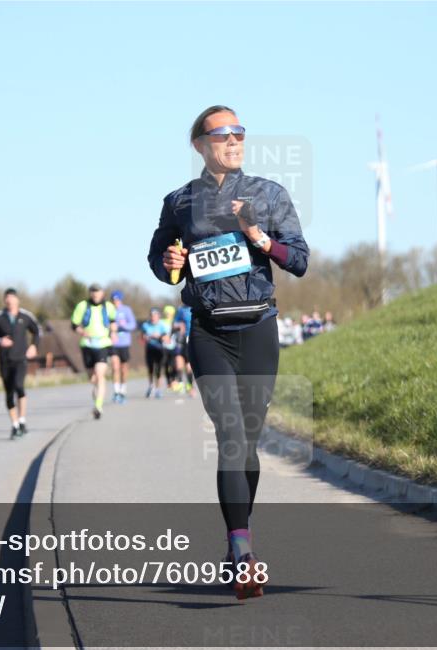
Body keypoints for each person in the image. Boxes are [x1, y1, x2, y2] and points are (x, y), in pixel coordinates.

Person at [148, 105, 309, 599]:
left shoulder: (269, 194)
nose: (233, 140)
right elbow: (160, 261)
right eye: (222, 134)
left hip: (258, 329)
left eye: (239, 133)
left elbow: (299, 260)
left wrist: (258, 237)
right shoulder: (179, 203)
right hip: (210, 333)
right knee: (231, 436)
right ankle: (243, 551)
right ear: (199, 144)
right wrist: (169, 260)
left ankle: (237, 542)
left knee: (249, 444)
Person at [0, 288, 40, 440]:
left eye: (12, 298)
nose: (9, 301)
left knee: (19, 387)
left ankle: (22, 420)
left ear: (17, 300)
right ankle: (15, 425)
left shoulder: (25, 316)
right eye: (7, 298)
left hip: (21, 359)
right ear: (4, 301)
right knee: (9, 394)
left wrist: (34, 346)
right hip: (5, 361)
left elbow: (37, 331)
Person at [70, 284, 118, 419]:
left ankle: (98, 406)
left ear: (102, 293)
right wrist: (82, 332)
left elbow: (113, 321)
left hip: (103, 343)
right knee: (93, 378)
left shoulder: (108, 306)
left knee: (100, 374)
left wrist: (113, 333)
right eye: (93, 293)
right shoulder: (82, 306)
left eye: (98, 293)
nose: (96, 295)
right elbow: (74, 324)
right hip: (87, 344)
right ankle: (97, 398)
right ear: (90, 293)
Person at [109, 290, 137, 404]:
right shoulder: (108, 310)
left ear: (120, 300)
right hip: (112, 343)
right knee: (115, 367)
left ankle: (123, 390)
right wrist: (110, 329)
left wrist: (122, 325)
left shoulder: (126, 310)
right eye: (113, 300)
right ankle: (116, 392)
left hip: (124, 343)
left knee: (123, 369)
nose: (115, 302)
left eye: (117, 300)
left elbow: (133, 325)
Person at [140, 307, 168, 399]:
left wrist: (159, 336)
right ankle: (151, 386)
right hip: (150, 348)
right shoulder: (145, 325)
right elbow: (142, 337)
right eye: (152, 315)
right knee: (150, 369)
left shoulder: (162, 325)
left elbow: (166, 338)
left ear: (158, 316)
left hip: (159, 349)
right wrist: (146, 337)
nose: (153, 317)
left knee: (158, 370)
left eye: (155, 315)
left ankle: (158, 389)